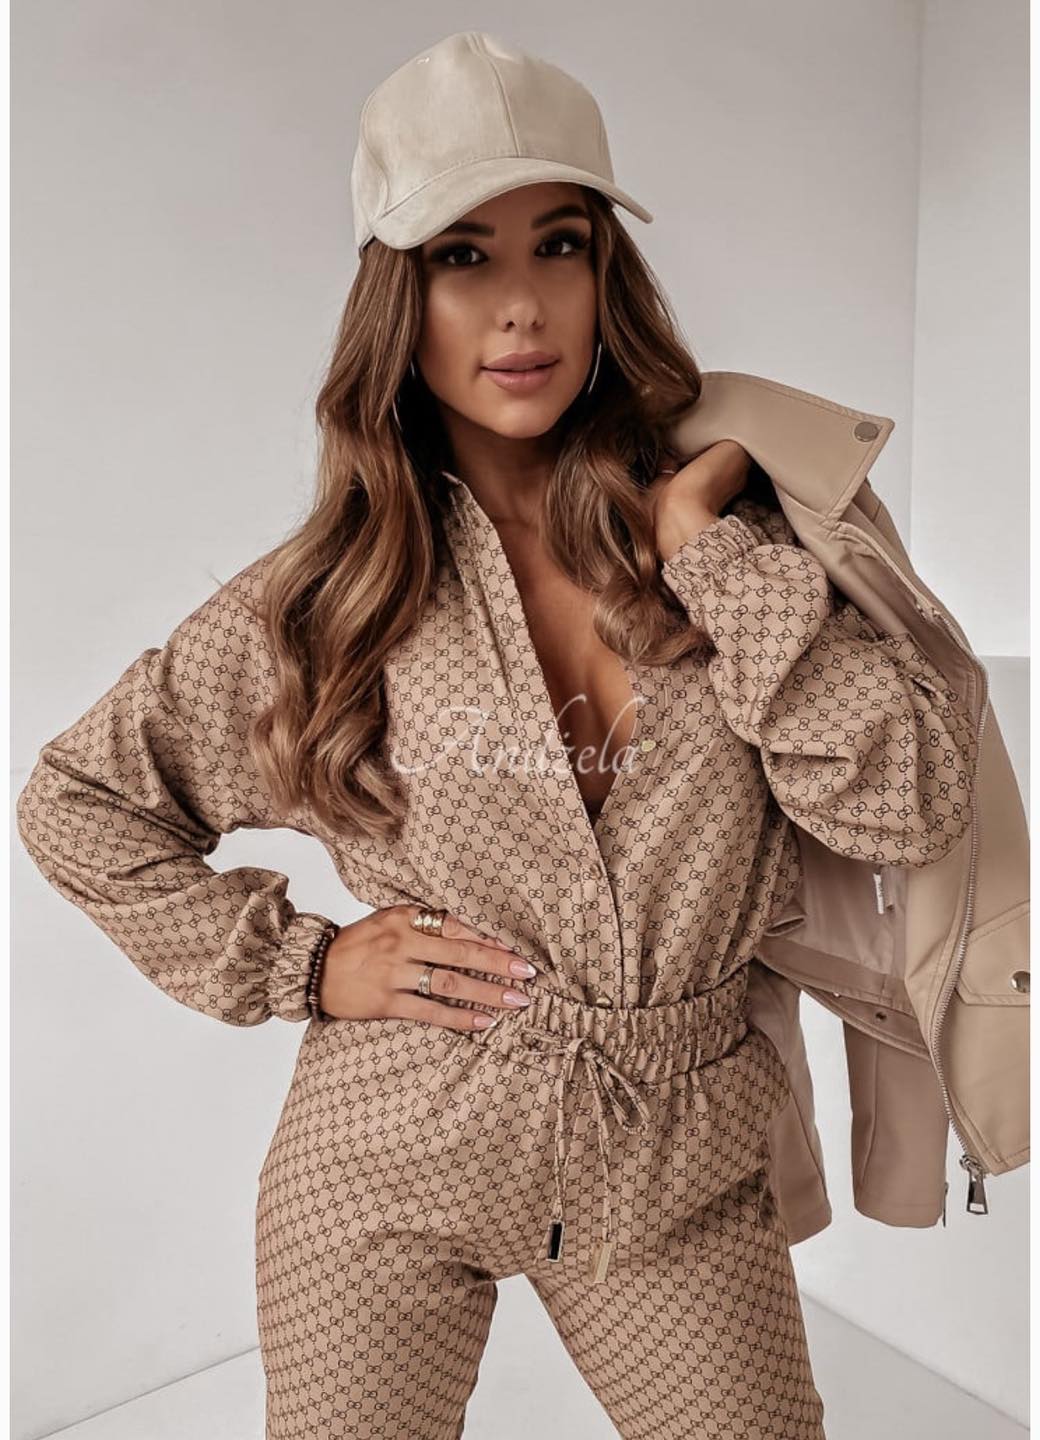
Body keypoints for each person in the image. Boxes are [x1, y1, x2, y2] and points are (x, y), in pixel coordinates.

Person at [16, 31, 978, 1440]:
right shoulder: (332, 597)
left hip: (677, 1163)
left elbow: (908, 806)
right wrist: (307, 963)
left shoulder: (738, 541)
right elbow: (78, 802)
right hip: (386, 1157)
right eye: (464, 257)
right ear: (398, 300)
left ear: (606, 275)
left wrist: (705, 552)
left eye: (560, 246)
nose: (522, 306)